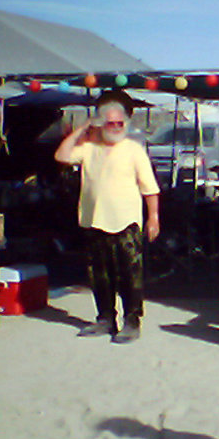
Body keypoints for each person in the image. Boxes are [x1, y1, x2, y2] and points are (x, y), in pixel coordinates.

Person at [55, 89, 160, 343]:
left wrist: (153, 217)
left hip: (126, 224)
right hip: (94, 221)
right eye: (109, 122)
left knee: (130, 276)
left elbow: (150, 188)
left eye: (119, 122)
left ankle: (132, 321)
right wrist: (82, 129)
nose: (115, 127)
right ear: (101, 123)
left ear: (126, 123)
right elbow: (61, 156)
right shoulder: (89, 148)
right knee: (99, 275)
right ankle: (105, 319)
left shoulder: (134, 150)